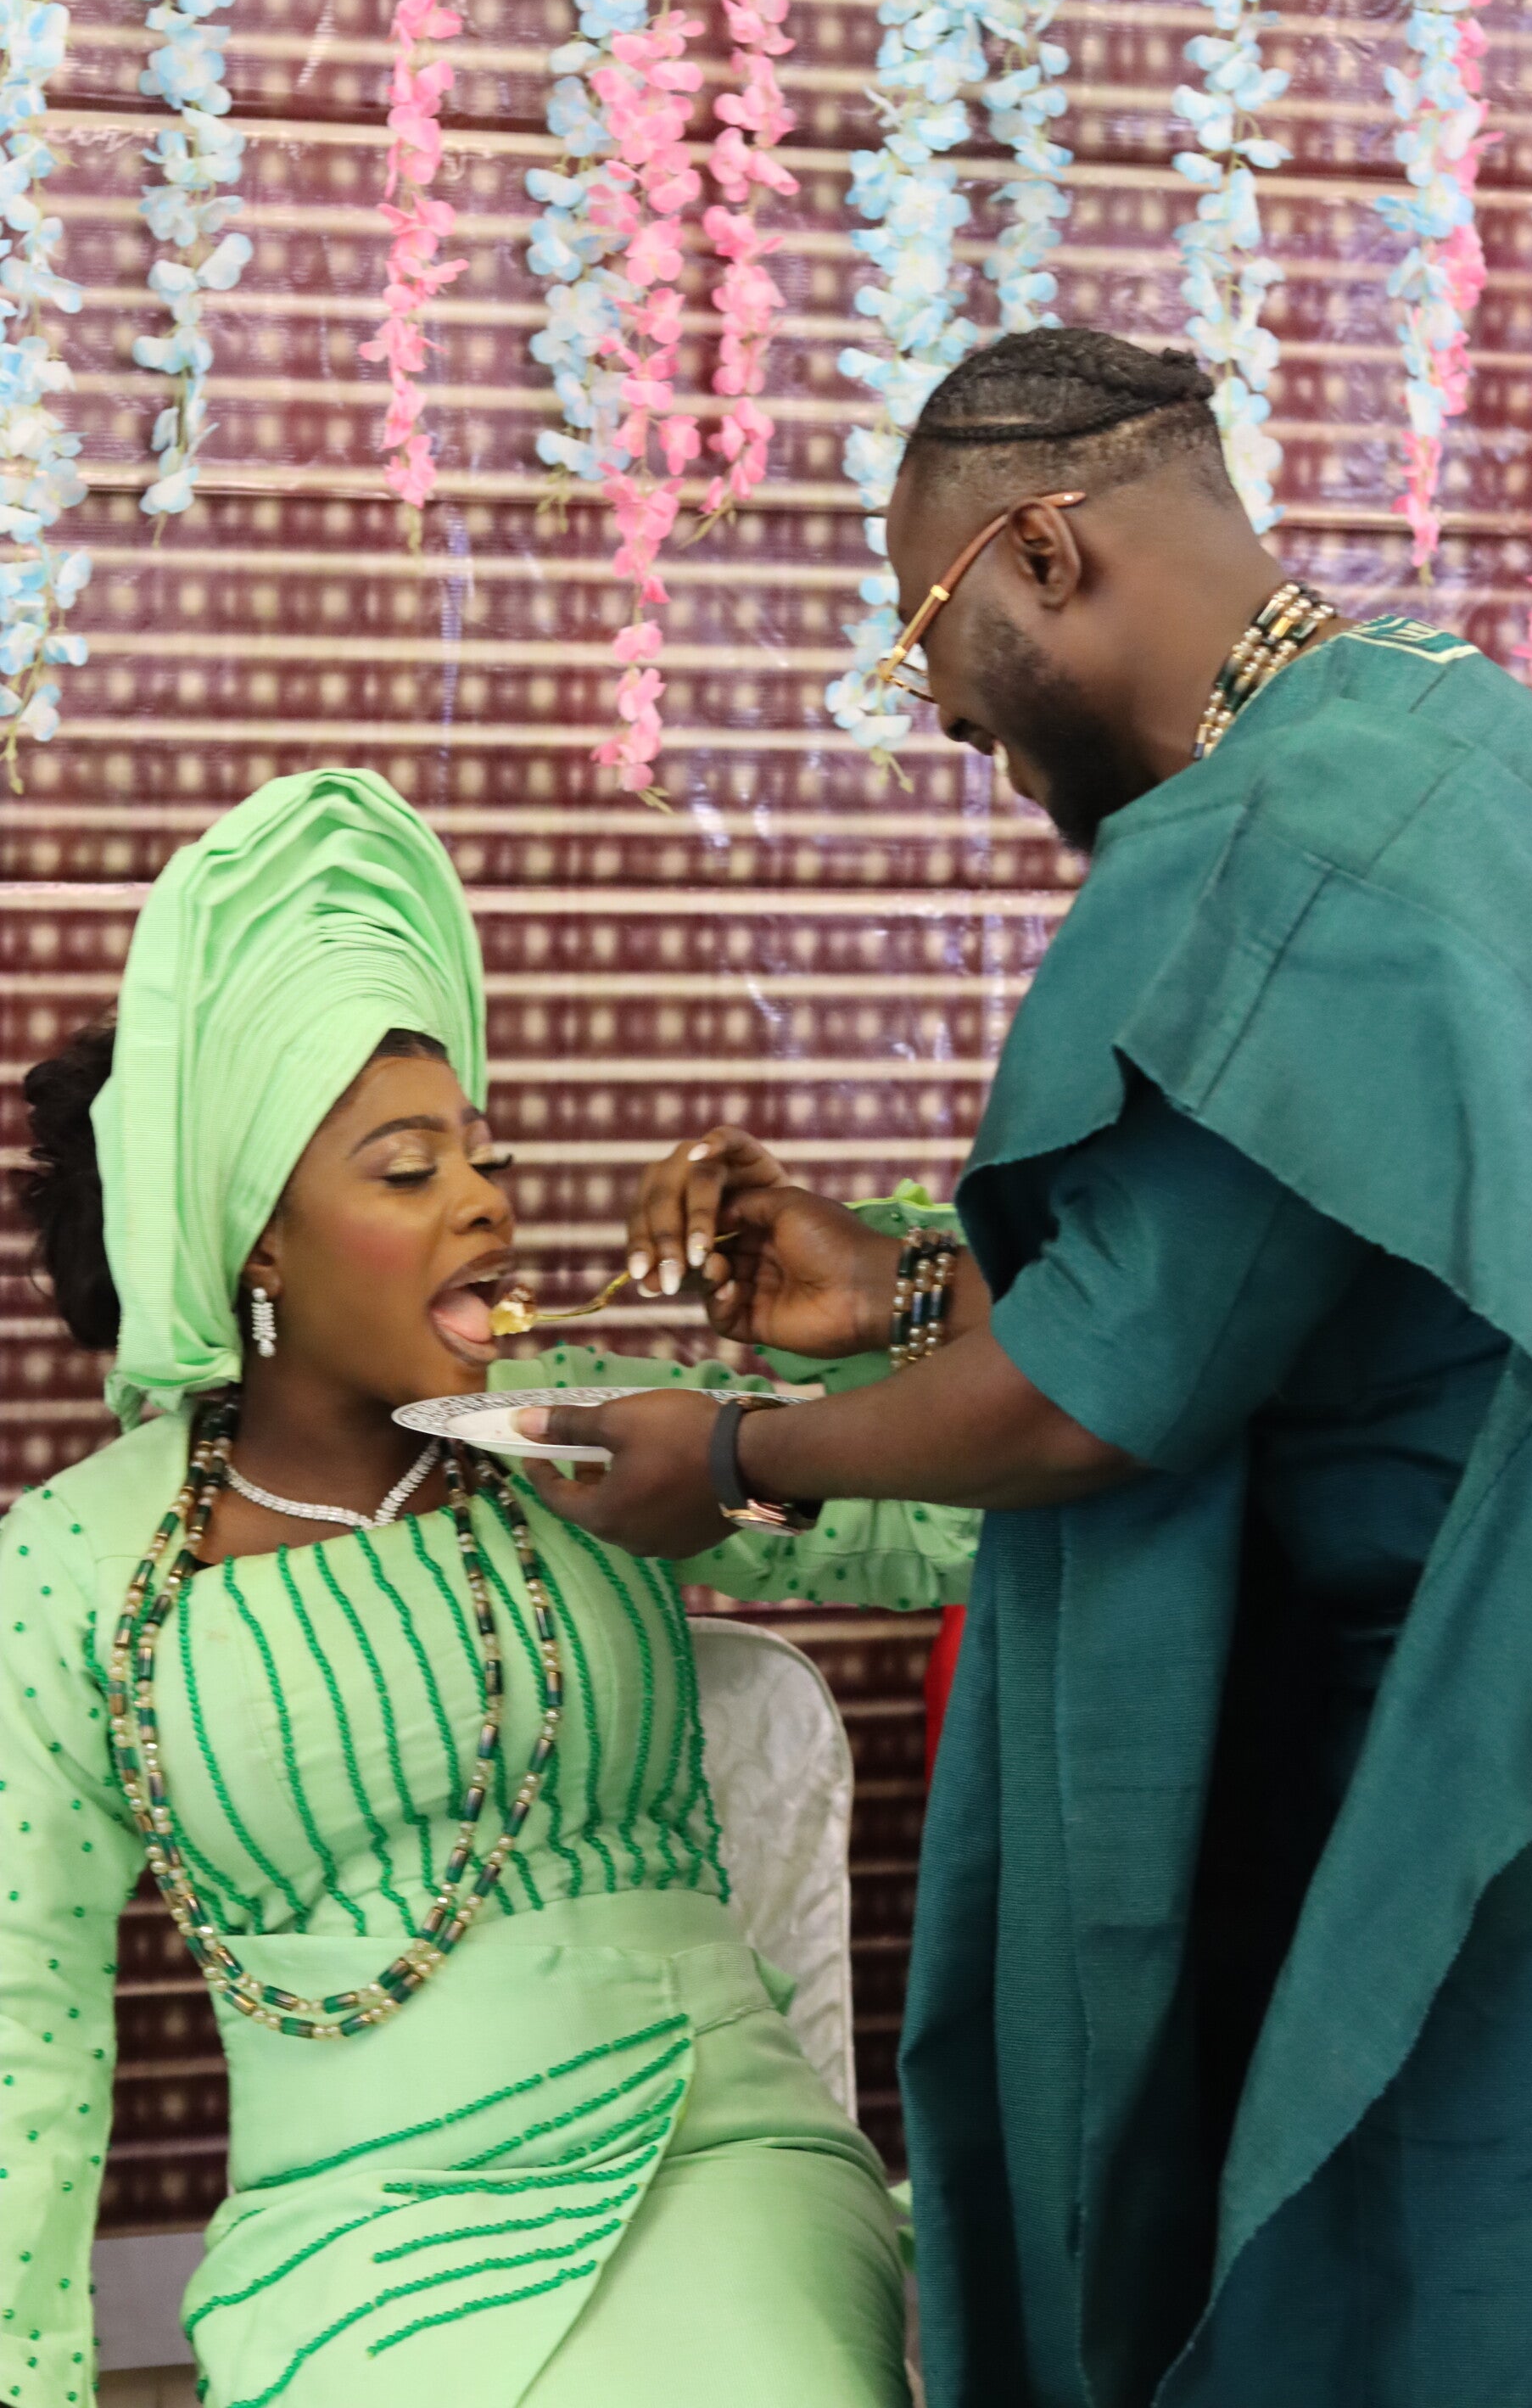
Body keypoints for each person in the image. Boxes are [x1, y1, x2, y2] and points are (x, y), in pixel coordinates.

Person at [514, 327, 1532, 2408]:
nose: (954, 726)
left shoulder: (1279, 850)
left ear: (1043, 551)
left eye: (931, 647)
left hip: (1444, 1768)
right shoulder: (1450, 736)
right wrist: (898, 1289)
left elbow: (1102, 1391)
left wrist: (739, 1458)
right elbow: (1290, 1255)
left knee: (1397, 2298)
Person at [0, 765, 978, 2408]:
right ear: (256, 1238)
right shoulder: (74, 1572)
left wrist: (890, 1295)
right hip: (348, 2249)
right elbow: (19, 2046)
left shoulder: (593, 1435)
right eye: (408, 1172)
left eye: (483, 1157)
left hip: (717, 2172)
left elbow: (975, 1519)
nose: (486, 1202)